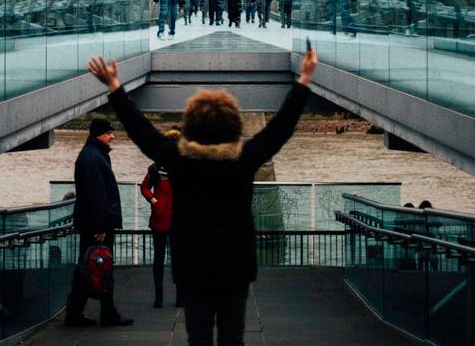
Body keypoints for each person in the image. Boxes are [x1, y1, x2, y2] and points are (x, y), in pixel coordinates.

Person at [87, 45, 318, 346]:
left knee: (198, 338)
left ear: (191, 125)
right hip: (236, 266)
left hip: (192, 265)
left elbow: (141, 130)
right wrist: (304, 79)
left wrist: (114, 87)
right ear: (234, 125)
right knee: (233, 338)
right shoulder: (244, 159)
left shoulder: (179, 159)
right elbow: (280, 129)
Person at [64, 118, 133, 328]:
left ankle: (80, 312)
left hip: (92, 222)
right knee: (98, 266)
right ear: (99, 134)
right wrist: (100, 226)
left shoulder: (92, 154)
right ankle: (102, 313)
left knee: (91, 266)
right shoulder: (94, 157)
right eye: (110, 132)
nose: (113, 136)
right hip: (97, 226)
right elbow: (97, 194)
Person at [139, 129, 182, 309]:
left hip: (174, 219)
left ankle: (170, 298)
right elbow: (145, 187)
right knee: (167, 259)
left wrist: (153, 199)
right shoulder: (156, 168)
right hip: (163, 218)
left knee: (165, 259)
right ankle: (168, 297)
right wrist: (154, 199)